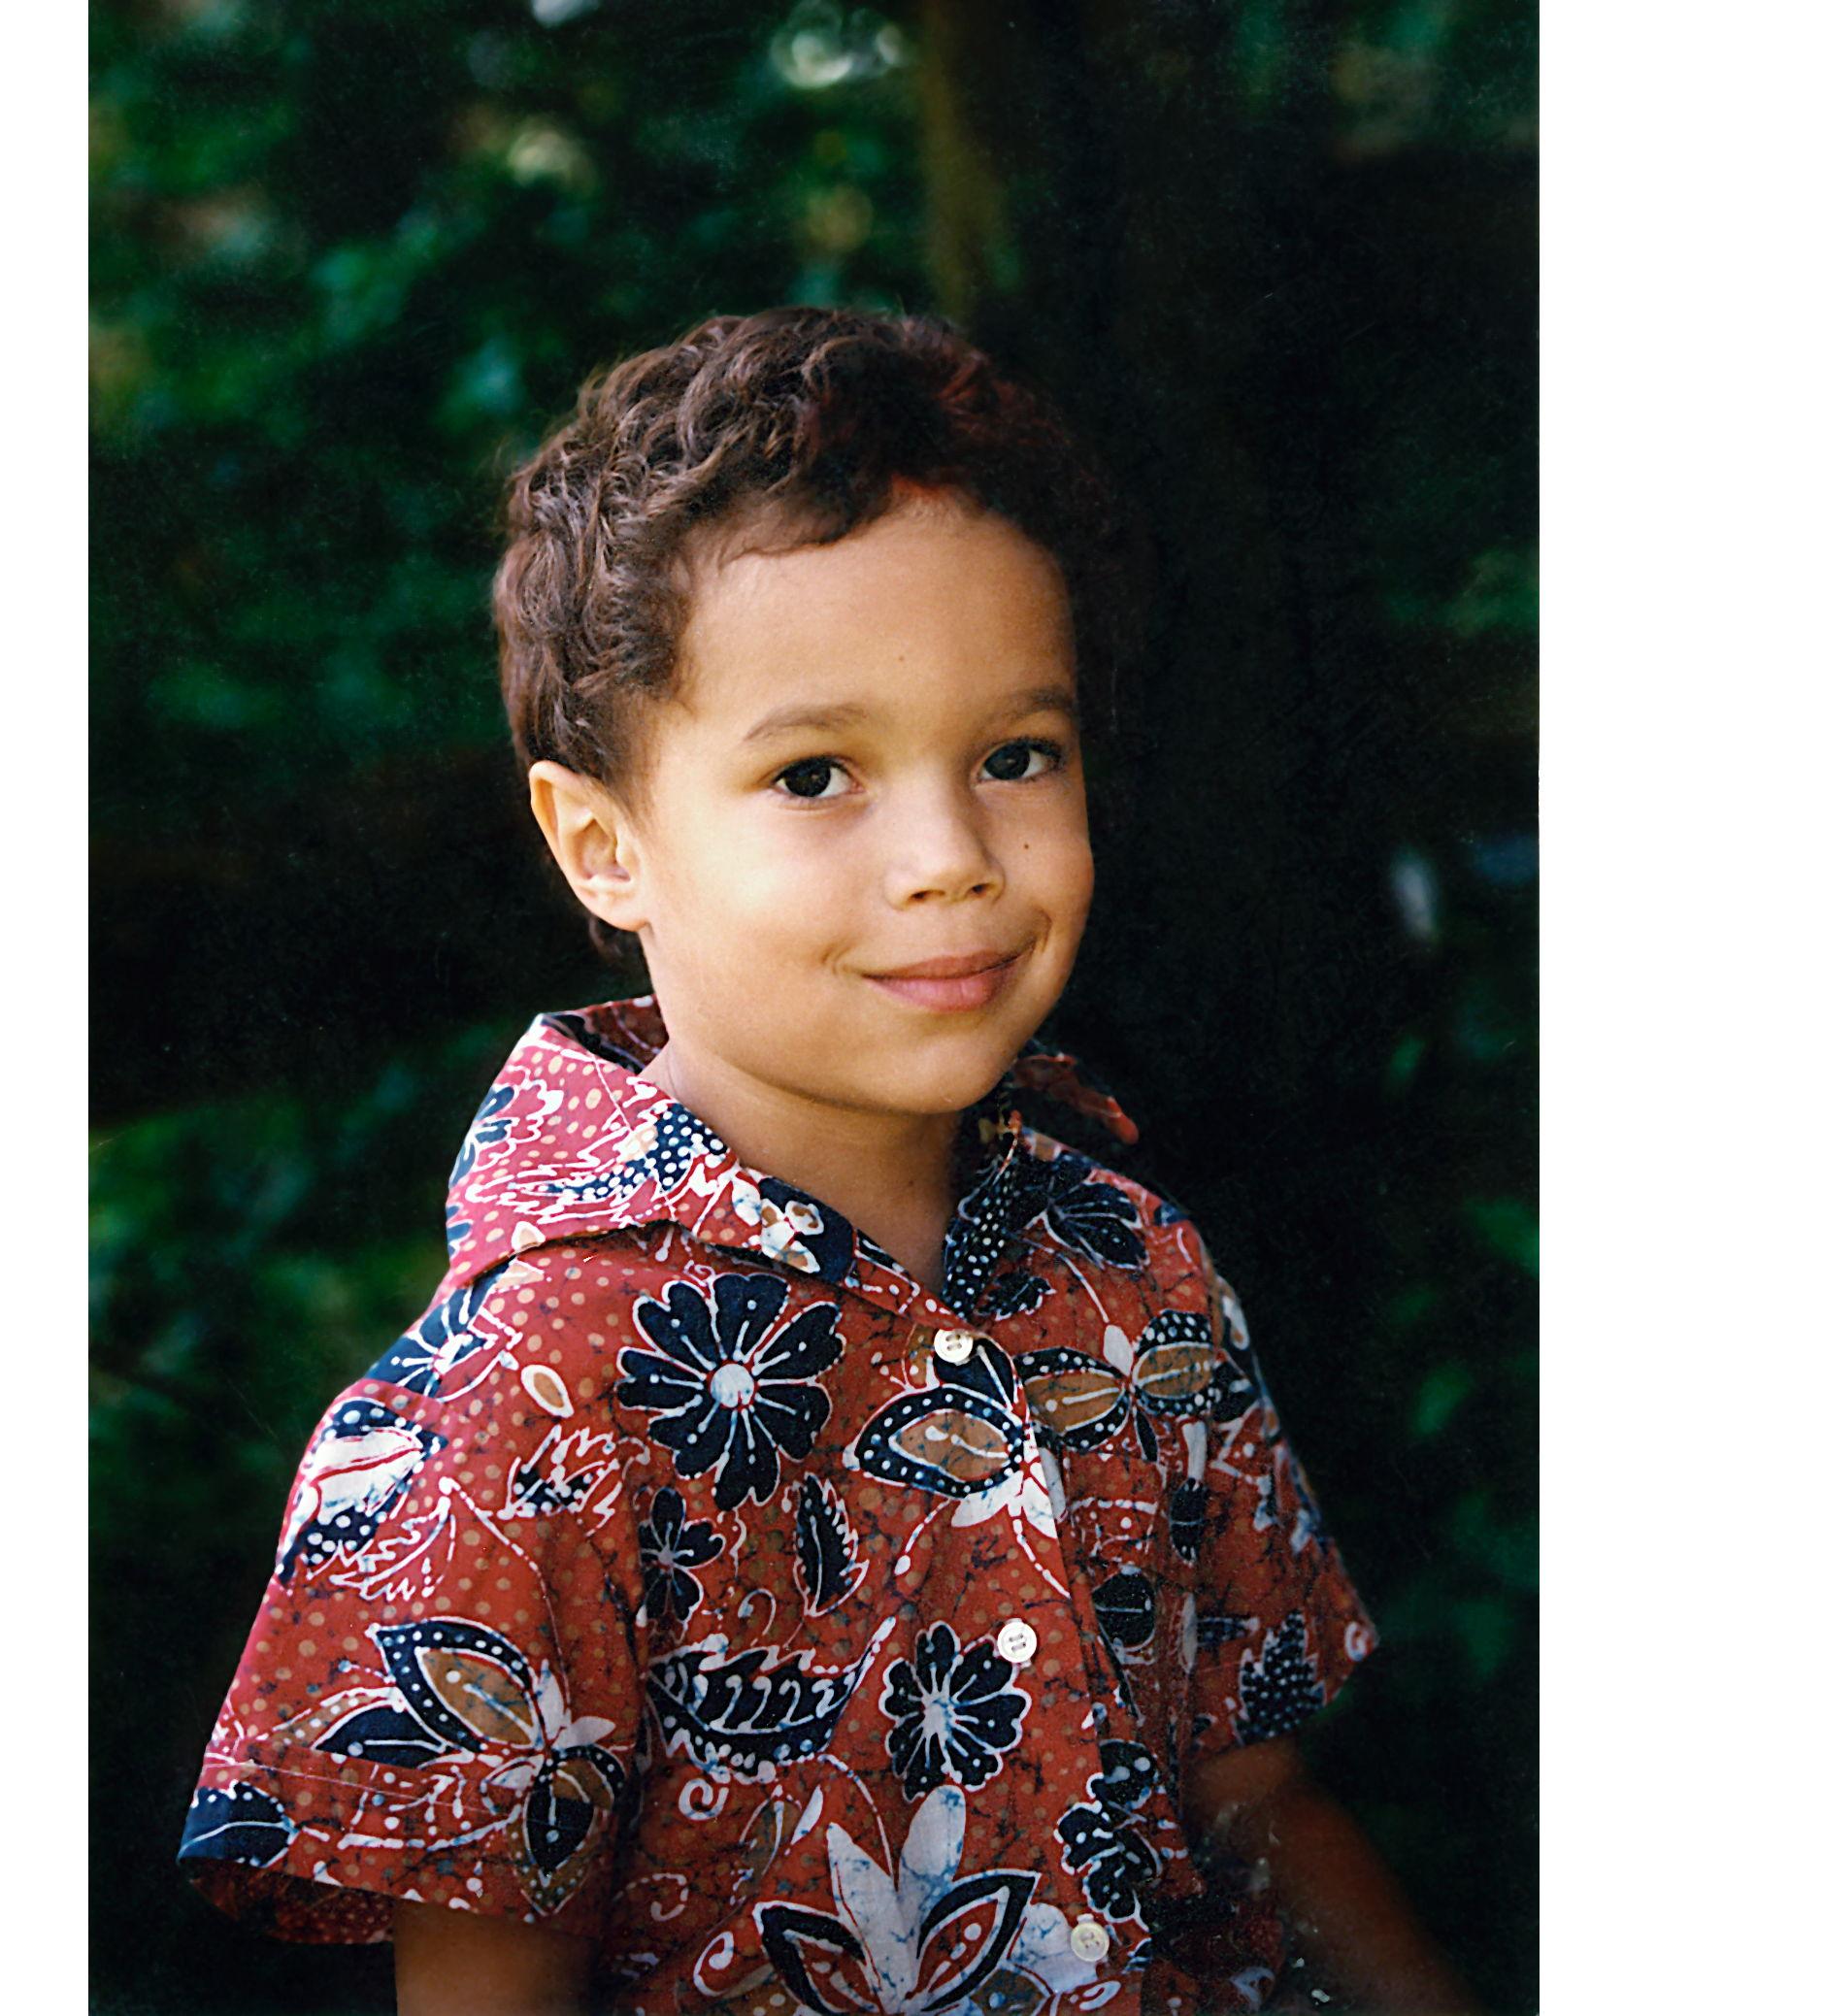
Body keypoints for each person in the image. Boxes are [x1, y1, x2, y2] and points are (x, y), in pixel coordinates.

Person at [178, 308, 1475, 2016]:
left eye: (1014, 754)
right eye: (815, 774)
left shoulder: (1134, 1268)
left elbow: (1252, 1808)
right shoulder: (513, 1414)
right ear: (603, 843)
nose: (948, 857)